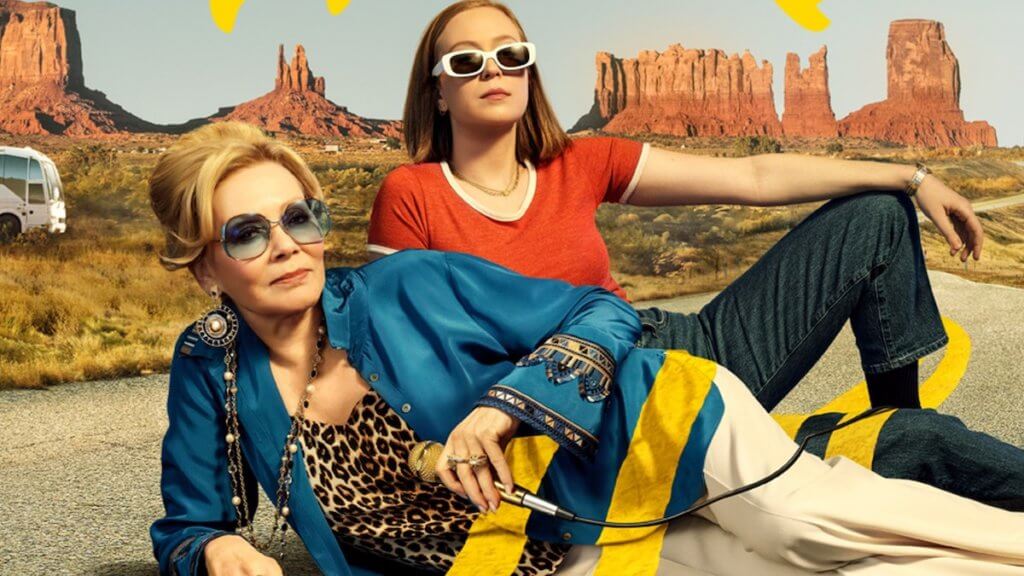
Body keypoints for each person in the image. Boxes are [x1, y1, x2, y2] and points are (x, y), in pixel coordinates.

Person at [149, 122, 1024, 576]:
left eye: (299, 216)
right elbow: (191, 523)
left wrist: (500, 408)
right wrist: (215, 550)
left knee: (807, 527)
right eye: (248, 232)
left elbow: (601, 317)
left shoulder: (403, 286)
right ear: (204, 266)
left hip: (655, 417)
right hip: (555, 545)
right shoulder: (210, 364)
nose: (289, 244)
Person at [365, 0, 1000, 502]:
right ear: (438, 90)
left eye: (509, 53)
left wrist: (911, 177)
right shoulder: (411, 195)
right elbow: (399, 360)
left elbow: (752, 180)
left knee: (877, 216)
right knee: (929, 446)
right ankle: (906, 452)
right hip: (584, 402)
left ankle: (894, 426)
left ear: (529, 72)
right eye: (465, 61)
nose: (492, 69)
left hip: (681, 345)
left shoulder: (579, 161)